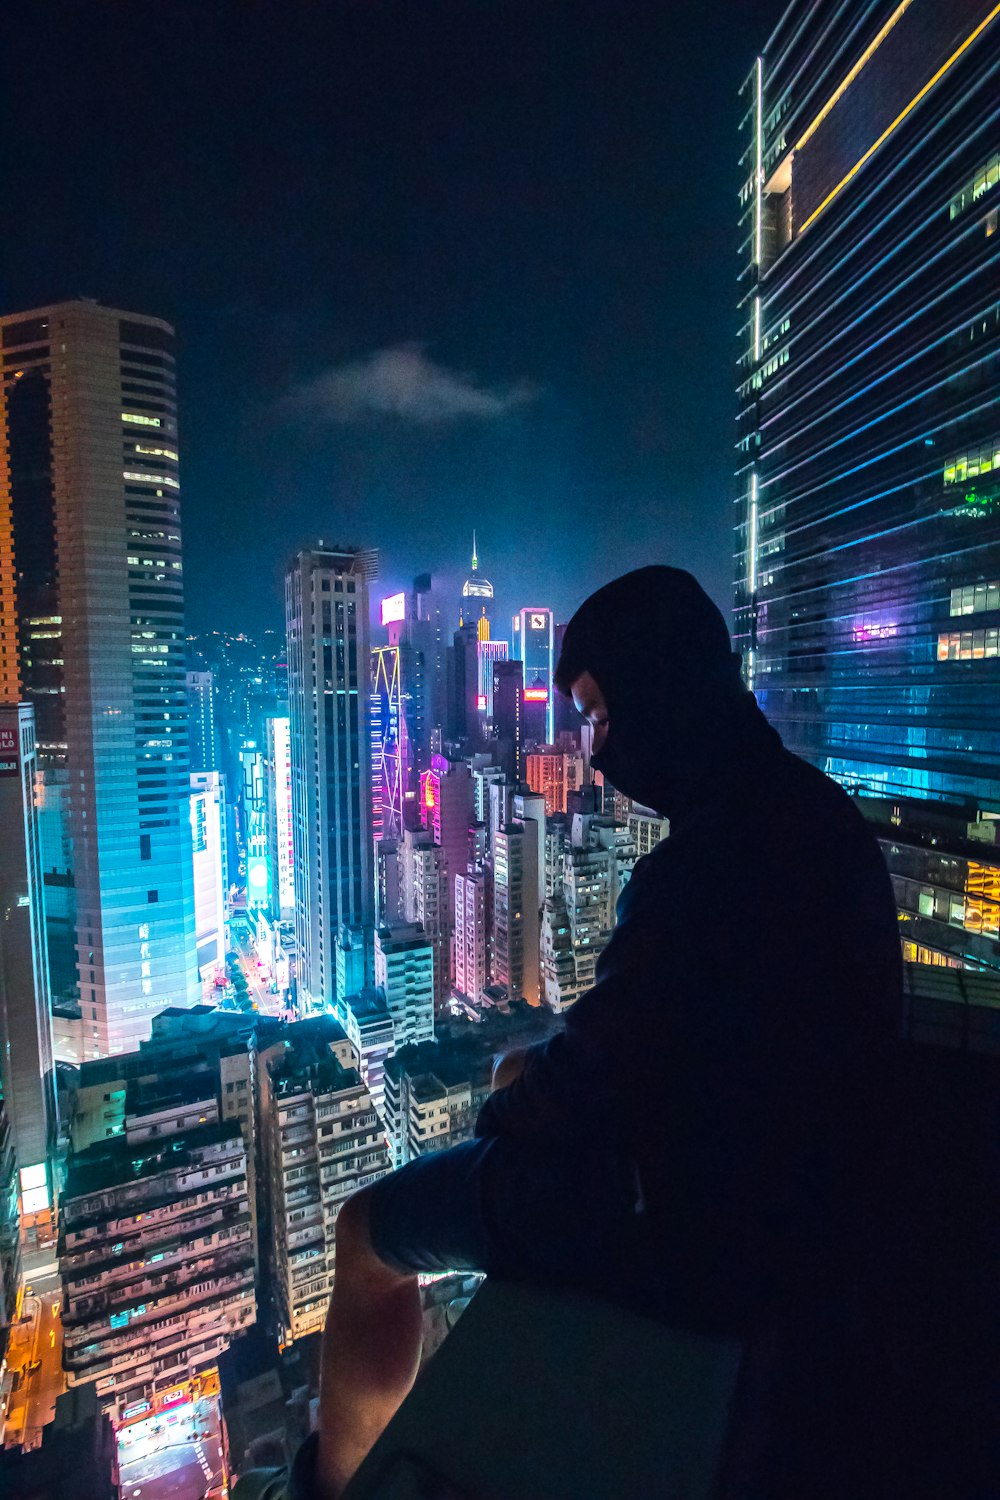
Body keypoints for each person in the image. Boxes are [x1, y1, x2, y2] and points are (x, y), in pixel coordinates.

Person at [262, 566, 903, 1500]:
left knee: (368, 1234)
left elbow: (585, 1089)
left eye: (601, 718)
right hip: (802, 1206)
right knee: (526, 1062)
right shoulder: (814, 815)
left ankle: (334, 1488)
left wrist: (504, 1112)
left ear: (658, 692)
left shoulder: (701, 868)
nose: (597, 758)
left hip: (701, 1235)